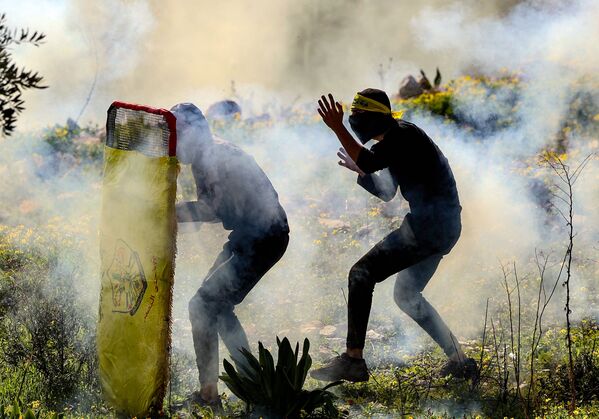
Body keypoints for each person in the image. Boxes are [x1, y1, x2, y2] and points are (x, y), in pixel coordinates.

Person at [310, 89, 477, 382]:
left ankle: (353, 359)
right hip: (443, 227)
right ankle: (460, 360)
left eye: (357, 118)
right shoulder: (395, 140)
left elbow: (372, 162)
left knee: (361, 273)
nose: (353, 123)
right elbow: (386, 192)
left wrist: (338, 128)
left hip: (429, 228)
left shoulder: (402, 137)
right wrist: (361, 171)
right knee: (407, 295)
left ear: (375, 118)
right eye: (351, 119)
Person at [171, 103, 290, 406]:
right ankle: (251, 385)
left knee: (202, 305)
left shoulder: (211, 158)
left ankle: (213, 393)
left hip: (263, 237)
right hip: (252, 235)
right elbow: (215, 208)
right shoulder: (207, 155)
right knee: (216, 307)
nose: (174, 143)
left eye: (178, 134)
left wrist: (171, 214)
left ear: (195, 133)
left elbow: (212, 208)